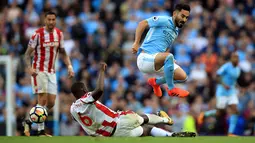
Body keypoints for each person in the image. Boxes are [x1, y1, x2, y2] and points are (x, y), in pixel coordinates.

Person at [70, 62, 196, 137]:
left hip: (114, 136)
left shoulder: (73, 110)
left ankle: (171, 135)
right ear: (83, 90)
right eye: (86, 89)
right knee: (140, 118)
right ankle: (164, 119)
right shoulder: (85, 98)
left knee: (146, 131)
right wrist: (102, 72)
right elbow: (100, 90)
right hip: (118, 122)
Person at [23, 11, 74, 136]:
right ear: (44, 20)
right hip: (38, 70)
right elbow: (27, 54)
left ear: (55, 20)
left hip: (51, 72)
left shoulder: (59, 34)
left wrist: (69, 65)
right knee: (43, 99)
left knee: (51, 103)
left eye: (53, 19)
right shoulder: (37, 35)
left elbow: (63, 52)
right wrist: (29, 68)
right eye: (49, 19)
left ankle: (29, 121)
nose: (51, 22)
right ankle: (41, 131)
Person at [132, 4, 190, 98]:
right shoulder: (164, 20)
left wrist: (169, 61)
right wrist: (136, 43)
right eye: (182, 16)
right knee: (169, 56)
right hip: (145, 58)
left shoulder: (175, 31)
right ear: (175, 13)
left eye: (186, 17)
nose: (184, 20)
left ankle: (155, 82)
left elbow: (166, 48)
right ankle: (171, 89)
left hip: (156, 59)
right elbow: (142, 23)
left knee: (183, 76)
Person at [197, 53, 241, 136]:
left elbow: (234, 81)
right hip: (222, 92)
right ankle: (205, 114)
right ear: (231, 59)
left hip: (231, 92)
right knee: (220, 112)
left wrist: (239, 87)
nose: (235, 59)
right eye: (234, 57)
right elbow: (217, 76)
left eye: (237, 58)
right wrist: (224, 84)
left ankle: (230, 133)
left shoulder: (238, 69)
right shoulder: (226, 66)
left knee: (235, 110)